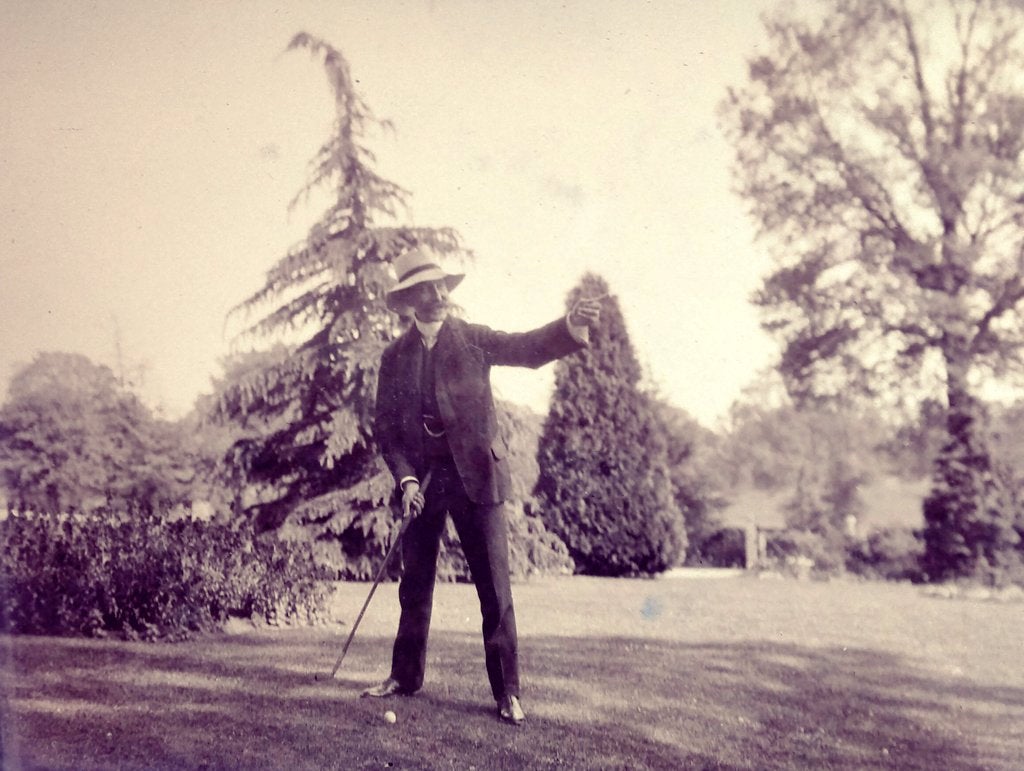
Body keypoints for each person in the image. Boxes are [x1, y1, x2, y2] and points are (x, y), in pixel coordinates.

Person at [363, 246, 600, 725]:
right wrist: (406, 479)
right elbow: (387, 429)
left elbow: (527, 348)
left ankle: (508, 692)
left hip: (477, 477)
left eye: (441, 285)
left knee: (494, 589)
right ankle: (404, 678)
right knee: (415, 587)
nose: (437, 294)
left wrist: (568, 328)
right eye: (425, 289)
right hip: (422, 485)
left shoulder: (473, 340)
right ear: (408, 299)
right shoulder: (394, 357)